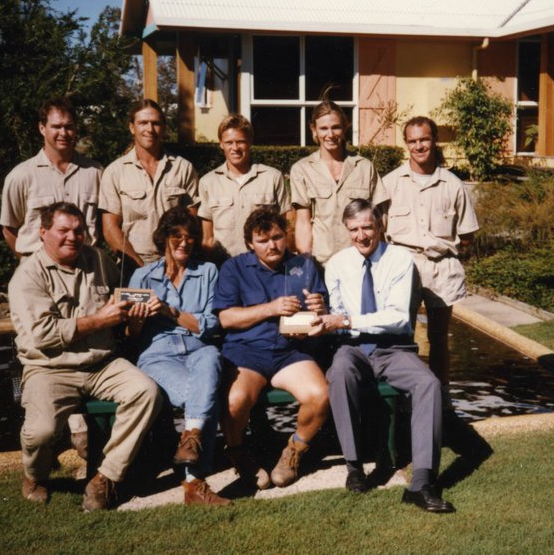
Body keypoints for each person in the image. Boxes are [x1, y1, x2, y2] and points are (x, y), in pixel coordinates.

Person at [8, 202, 161, 511]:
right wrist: (101, 320)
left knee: (147, 392)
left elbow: (121, 302)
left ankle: (106, 475)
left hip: (102, 363)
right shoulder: (27, 276)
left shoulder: (99, 260)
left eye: (79, 231)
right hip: (50, 366)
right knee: (42, 432)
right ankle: (34, 475)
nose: (72, 237)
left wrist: (138, 310)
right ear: (43, 233)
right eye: (63, 230)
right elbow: (43, 335)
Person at [322, 198, 454, 512]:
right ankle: (354, 466)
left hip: (393, 347)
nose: (361, 235)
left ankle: (422, 482)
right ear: (346, 230)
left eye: (367, 227)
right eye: (353, 229)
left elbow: (397, 318)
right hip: (353, 347)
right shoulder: (337, 264)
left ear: (380, 226)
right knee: (339, 371)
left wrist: (347, 320)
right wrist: (326, 317)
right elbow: (337, 314)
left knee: (429, 384)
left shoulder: (400, 260)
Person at [213, 206, 330, 489]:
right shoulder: (234, 268)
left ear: (285, 237)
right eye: (263, 240)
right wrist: (270, 309)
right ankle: (239, 454)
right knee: (234, 402)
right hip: (246, 353)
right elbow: (226, 318)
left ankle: (293, 451)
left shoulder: (304, 265)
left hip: (290, 352)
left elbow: (322, 316)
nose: (272, 245)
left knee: (320, 395)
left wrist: (318, 309)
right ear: (250, 244)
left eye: (277, 237)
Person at [126, 208, 229, 506]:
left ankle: (189, 449)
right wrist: (138, 317)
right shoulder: (142, 276)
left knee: (210, 357)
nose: (184, 243)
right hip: (158, 356)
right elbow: (133, 336)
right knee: (202, 393)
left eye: (190, 237)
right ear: (164, 238)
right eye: (176, 236)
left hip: (198, 349)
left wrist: (169, 312)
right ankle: (193, 483)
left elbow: (209, 326)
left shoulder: (208, 271)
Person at [383, 116, 478, 391]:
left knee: (439, 338)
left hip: (440, 268)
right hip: (403, 266)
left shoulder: (453, 184)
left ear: (434, 140)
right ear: (406, 144)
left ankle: (441, 394)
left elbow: (468, 234)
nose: (419, 146)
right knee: (402, 336)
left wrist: (447, 255)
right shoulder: (391, 183)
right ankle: (404, 394)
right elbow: (379, 231)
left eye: (424, 139)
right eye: (412, 141)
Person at [99, 99, 200, 271]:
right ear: (132, 127)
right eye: (143, 123)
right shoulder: (115, 172)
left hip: (176, 264)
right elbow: (110, 229)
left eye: (155, 123)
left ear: (164, 128)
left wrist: (175, 262)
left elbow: (193, 222)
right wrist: (139, 268)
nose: (149, 129)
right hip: (132, 265)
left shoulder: (183, 168)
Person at [290, 94, 388, 264]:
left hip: (361, 260)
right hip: (322, 263)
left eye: (336, 127)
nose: (330, 134)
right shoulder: (302, 170)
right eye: (323, 128)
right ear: (313, 129)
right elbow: (303, 223)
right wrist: (306, 263)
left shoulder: (364, 167)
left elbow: (381, 219)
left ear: (345, 127)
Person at [0, 97, 102, 257]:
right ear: (42, 128)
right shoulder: (21, 176)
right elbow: (9, 230)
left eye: (69, 127)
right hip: (38, 269)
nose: (63, 133)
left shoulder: (95, 172)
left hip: (85, 267)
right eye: (56, 126)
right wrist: (31, 264)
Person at [198, 115, 291, 260]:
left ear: (250, 142)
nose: (235, 148)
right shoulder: (207, 182)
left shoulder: (272, 177)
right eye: (229, 142)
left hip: (263, 266)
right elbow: (208, 239)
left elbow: (286, 228)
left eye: (240, 142)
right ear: (221, 144)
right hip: (223, 267)